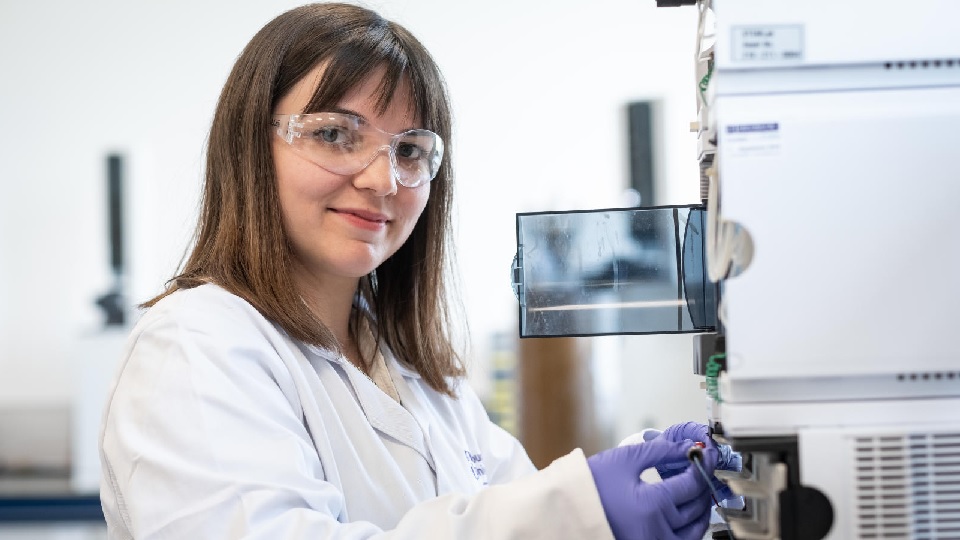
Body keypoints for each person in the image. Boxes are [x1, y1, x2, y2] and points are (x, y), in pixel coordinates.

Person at [98, 3, 725, 539]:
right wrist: (576, 511)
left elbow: (513, 503)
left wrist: (637, 479)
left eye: (410, 150)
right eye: (335, 135)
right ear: (248, 149)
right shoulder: (197, 345)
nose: (381, 180)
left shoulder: (418, 374)